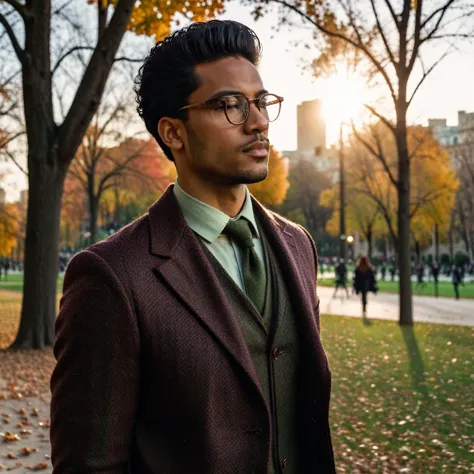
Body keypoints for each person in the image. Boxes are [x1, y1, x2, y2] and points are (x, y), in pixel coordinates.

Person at [50, 20, 335, 474]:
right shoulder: (112, 276)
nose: (259, 121)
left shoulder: (298, 245)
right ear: (174, 133)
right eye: (230, 105)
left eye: (260, 102)